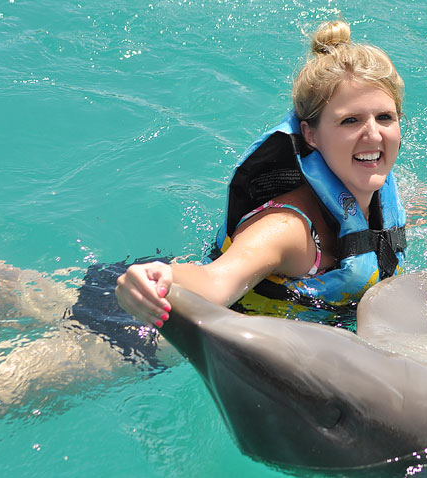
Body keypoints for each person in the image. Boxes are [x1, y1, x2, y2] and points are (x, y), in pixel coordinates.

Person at [116, 20, 408, 327]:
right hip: (140, 323)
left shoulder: (375, 199)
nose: (373, 135)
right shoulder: (286, 228)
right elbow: (217, 281)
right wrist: (161, 278)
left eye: (385, 117)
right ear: (311, 135)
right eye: (350, 120)